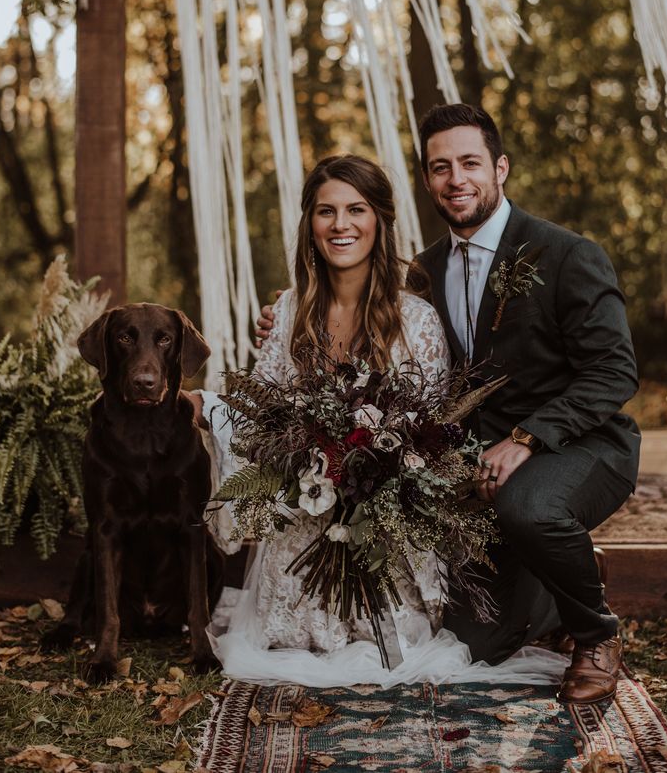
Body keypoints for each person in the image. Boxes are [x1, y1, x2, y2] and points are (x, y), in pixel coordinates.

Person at [257, 108, 640, 704]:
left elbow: (615, 372)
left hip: (581, 445)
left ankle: (596, 633)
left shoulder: (566, 255)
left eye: (470, 163)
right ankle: (563, 570)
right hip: (472, 463)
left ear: (500, 168)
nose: (456, 179)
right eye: (441, 168)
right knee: (473, 643)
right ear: (428, 180)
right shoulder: (424, 272)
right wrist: (288, 313)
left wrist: (528, 437)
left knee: (529, 505)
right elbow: (379, 332)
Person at [198, 154, 564, 687]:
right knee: (287, 646)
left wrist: (374, 469)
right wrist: (215, 410)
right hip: (307, 508)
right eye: (326, 211)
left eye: (356, 209)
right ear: (310, 223)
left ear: (379, 221)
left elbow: (431, 430)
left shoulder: (414, 317)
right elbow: (262, 417)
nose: (340, 224)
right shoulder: (289, 313)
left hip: (385, 523)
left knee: (390, 648)